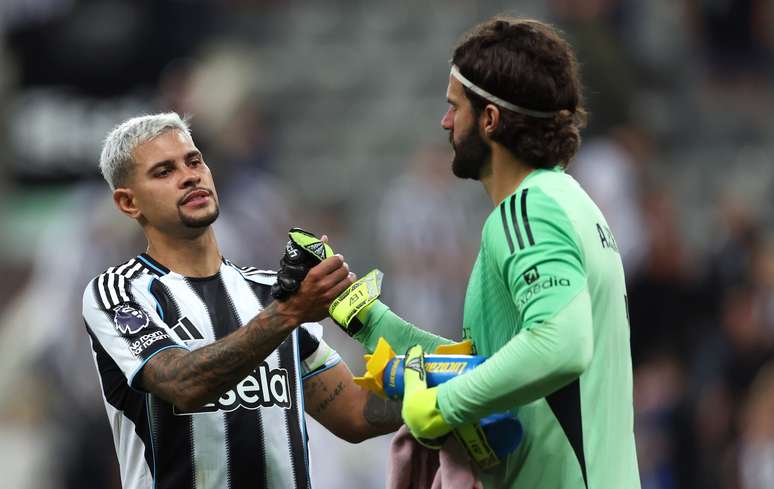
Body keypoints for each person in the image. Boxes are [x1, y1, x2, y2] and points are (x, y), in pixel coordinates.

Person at [327, 17, 641, 488]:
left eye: (455, 107)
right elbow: (484, 369)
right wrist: (365, 318)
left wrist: (444, 406)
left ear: (490, 119)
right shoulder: (570, 203)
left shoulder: (527, 209)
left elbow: (562, 343)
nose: (445, 121)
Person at [81, 113, 402, 489]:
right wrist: (290, 313)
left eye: (194, 161)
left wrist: (455, 388)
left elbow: (355, 414)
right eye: (164, 171)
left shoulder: (269, 293)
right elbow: (182, 382)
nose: (190, 175)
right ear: (128, 202)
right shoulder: (119, 292)